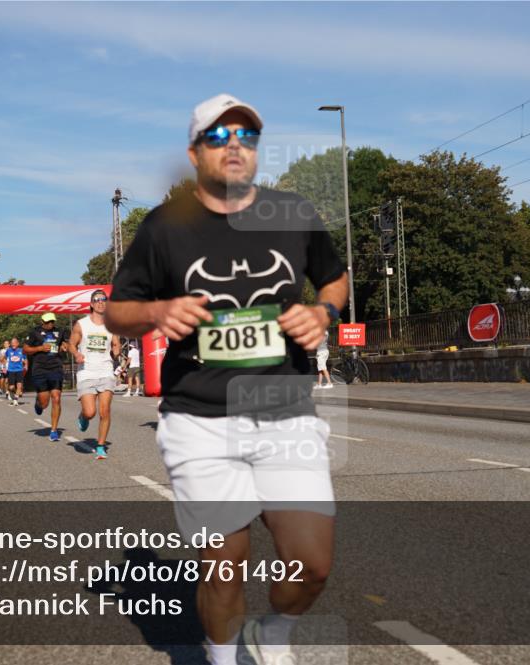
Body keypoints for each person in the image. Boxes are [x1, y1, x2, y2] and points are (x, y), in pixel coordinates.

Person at [105, 93, 349, 665]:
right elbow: (117, 309)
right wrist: (157, 313)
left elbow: (335, 281)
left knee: (313, 564)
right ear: (195, 153)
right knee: (223, 564)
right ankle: (221, 656)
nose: (234, 145)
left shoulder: (293, 212)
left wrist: (323, 313)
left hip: (285, 413)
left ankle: (274, 633)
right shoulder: (165, 227)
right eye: (218, 137)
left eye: (246, 136)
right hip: (199, 420)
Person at [68, 290, 120, 459]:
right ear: (91, 304)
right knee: (90, 412)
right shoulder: (81, 324)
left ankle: (100, 446)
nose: (100, 302)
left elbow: (116, 344)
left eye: (104, 299)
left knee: (105, 411)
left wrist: (116, 351)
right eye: (97, 300)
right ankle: (83, 416)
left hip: (105, 370)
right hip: (86, 372)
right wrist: (76, 354)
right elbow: (71, 344)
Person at [23, 313, 68, 442]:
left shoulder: (60, 332)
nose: (50, 324)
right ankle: (39, 403)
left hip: (56, 367)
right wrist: (40, 348)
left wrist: (64, 346)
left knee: (56, 398)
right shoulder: (34, 332)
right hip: (40, 369)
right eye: (48, 322)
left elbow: (67, 343)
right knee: (44, 403)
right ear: (42, 322)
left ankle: (53, 431)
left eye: (52, 322)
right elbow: (25, 349)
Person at [4, 337, 27, 406]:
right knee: (11, 387)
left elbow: (25, 359)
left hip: (19, 370)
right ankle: (11, 392)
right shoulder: (8, 350)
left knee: (19, 385)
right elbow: (5, 358)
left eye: (14, 343)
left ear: (18, 343)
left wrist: (25, 365)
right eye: (12, 343)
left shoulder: (21, 350)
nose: (13, 344)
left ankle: (15, 399)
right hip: (11, 370)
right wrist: (5, 366)